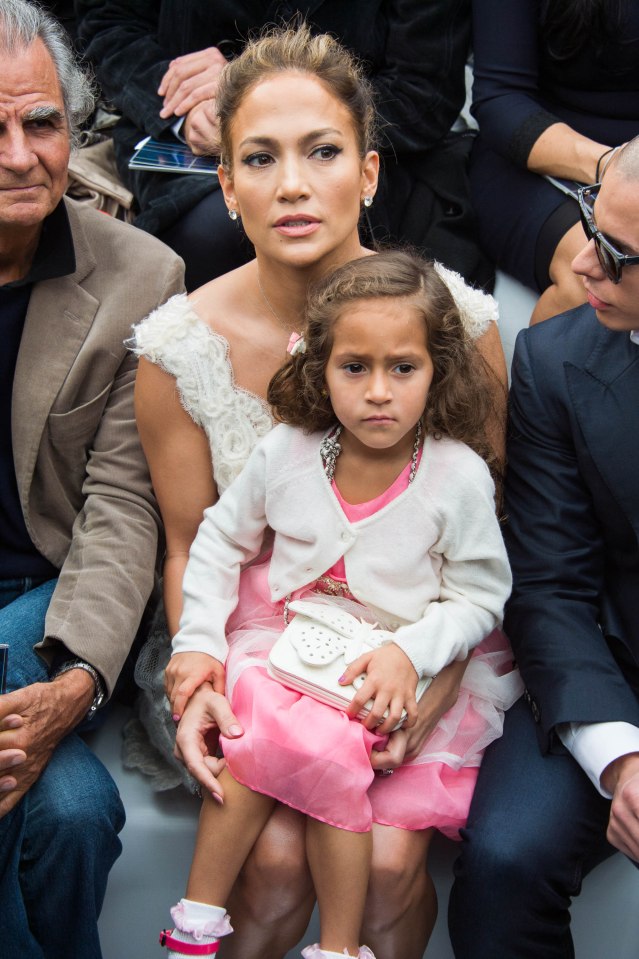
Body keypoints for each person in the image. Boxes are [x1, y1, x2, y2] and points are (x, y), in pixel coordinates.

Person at [129, 25, 510, 959]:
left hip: (412, 636)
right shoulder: (180, 348)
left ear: (370, 172)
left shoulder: (460, 325)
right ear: (225, 186)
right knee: (272, 859)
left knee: (383, 864)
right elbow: (191, 548)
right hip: (244, 641)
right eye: (259, 157)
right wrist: (198, 684)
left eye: (323, 151)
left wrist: (427, 681)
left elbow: (476, 546)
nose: (292, 184)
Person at [157, 251, 519, 959]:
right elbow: (218, 542)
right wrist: (197, 641)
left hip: (397, 660)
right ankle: (195, 924)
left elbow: (480, 594)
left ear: (437, 369)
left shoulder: (456, 476)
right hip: (293, 639)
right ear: (319, 368)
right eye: (354, 367)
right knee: (254, 734)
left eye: (403, 368)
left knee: (368, 818)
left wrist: (409, 652)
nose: (378, 392)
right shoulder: (288, 451)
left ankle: (342, 948)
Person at [0, 2, 185, 957]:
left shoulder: (140, 277)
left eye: (43, 123)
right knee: (71, 811)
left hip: (45, 599)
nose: (24, 154)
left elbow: (122, 507)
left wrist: (77, 677)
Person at [448, 136, 639, 958]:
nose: (583, 266)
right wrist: (621, 759)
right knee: (501, 860)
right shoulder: (553, 360)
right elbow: (549, 582)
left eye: (618, 254)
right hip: (608, 666)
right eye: (591, 226)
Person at [76, 0, 492, 292]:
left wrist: (253, 98)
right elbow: (109, 23)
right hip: (182, 128)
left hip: (367, 135)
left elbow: (423, 90)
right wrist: (188, 109)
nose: (289, 184)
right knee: (216, 232)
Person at [470, 0, 639, 324]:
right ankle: (539, 372)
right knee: (596, 272)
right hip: (537, 160)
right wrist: (613, 165)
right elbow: (500, 99)